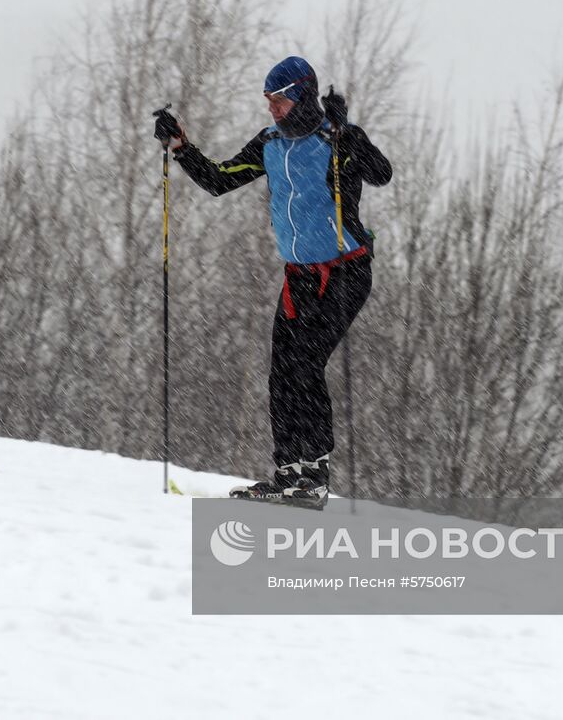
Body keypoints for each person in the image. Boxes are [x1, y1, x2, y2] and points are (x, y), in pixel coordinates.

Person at [153, 56, 392, 506]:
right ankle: (288, 473)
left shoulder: (335, 138)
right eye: (268, 101)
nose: (272, 110)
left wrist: (350, 135)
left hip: (346, 271)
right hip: (298, 277)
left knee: (305, 364)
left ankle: (315, 475)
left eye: (278, 100)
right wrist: (181, 146)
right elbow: (220, 180)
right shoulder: (269, 144)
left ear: (301, 94)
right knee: (282, 371)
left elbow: (382, 174)